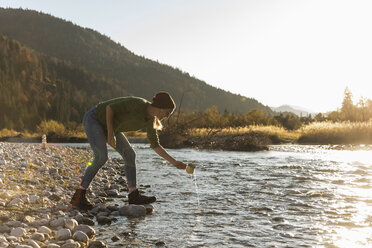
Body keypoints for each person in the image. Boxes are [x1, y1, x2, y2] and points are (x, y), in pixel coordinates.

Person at [70, 92, 187, 210]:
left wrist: (174, 162)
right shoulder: (138, 103)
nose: (167, 116)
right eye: (167, 112)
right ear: (160, 106)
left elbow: (156, 145)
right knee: (101, 157)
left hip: (110, 127)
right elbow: (109, 109)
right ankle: (79, 195)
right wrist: (110, 134)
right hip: (94, 119)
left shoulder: (150, 121)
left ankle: (133, 195)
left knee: (130, 155)